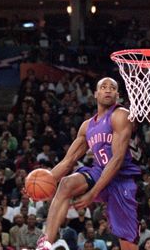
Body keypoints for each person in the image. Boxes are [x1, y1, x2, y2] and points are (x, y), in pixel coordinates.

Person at [36, 77, 141, 250]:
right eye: (104, 87)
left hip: (121, 179)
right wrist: (44, 182)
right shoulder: (87, 127)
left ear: (117, 95)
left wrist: (93, 194)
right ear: (95, 94)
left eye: (112, 88)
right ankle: (46, 242)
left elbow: (117, 160)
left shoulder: (121, 115)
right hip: (100, 171)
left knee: (128, 244)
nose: (108, 90)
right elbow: (68, 161)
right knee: (65, 183)